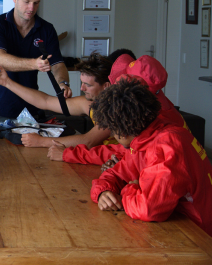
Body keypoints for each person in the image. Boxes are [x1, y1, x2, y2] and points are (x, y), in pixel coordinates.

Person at [89, 78, 212, 237]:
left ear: (122, 131)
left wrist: (129, 189)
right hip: (174, 222)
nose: (112, 135)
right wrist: (103, 193)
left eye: (112, 130)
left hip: (197, 233)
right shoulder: (144, 138)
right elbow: (115, 173)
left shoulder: (167, 146)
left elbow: (149, 209)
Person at [50, 54, 188, 166]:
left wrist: (68, 154)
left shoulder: (156, 126)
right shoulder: (160, 106)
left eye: (127, 78)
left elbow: (125, 154)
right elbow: (125, 154)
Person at [0, 0, 71, 129]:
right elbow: (0, 60)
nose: (31, 8)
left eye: (36, 3)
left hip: (29, 110)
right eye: (27, 2)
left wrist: (63, 83)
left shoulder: (47, 29)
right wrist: (34, 64)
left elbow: (56, 63)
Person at [0, 53, 114, 148]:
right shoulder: (89, 102)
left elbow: (89, 140)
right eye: (82, 83)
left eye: (88, 85)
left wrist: (42, 142)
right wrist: (7, 82)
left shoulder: (114, 109)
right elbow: (45, 101)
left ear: (106, 86)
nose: (82, 88)